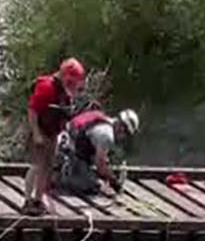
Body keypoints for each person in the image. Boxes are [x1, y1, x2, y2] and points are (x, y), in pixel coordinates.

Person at [23, 58, 86, 215]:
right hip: (40, 130)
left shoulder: (65, 91)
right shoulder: (46, 87)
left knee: (48, 167)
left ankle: (38, 200)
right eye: (72, 80)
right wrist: (36, 133)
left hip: (53, 133)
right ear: (64, 75)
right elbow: (32, 111)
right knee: (36, 166)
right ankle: (27, 200)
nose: (73, 84)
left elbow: (64, 112)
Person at [54, 108, 139, 196]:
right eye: (126, 134)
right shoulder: (106, 136)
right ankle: (61, 176)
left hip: (70, 142)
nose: (124, 137)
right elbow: (100, 165)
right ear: (122, 128)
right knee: (93, 186)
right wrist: (113, 181)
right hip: (69, 151)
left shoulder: (106, 121)